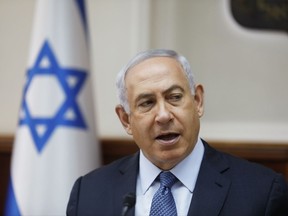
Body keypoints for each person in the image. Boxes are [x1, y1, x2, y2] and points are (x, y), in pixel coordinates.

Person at [66, 49, 288, 216]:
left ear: (198, 101)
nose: (163, 115)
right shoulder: (89, 194)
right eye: (147, 103)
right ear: (126, 120)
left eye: (174, 97)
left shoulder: (262, 192)